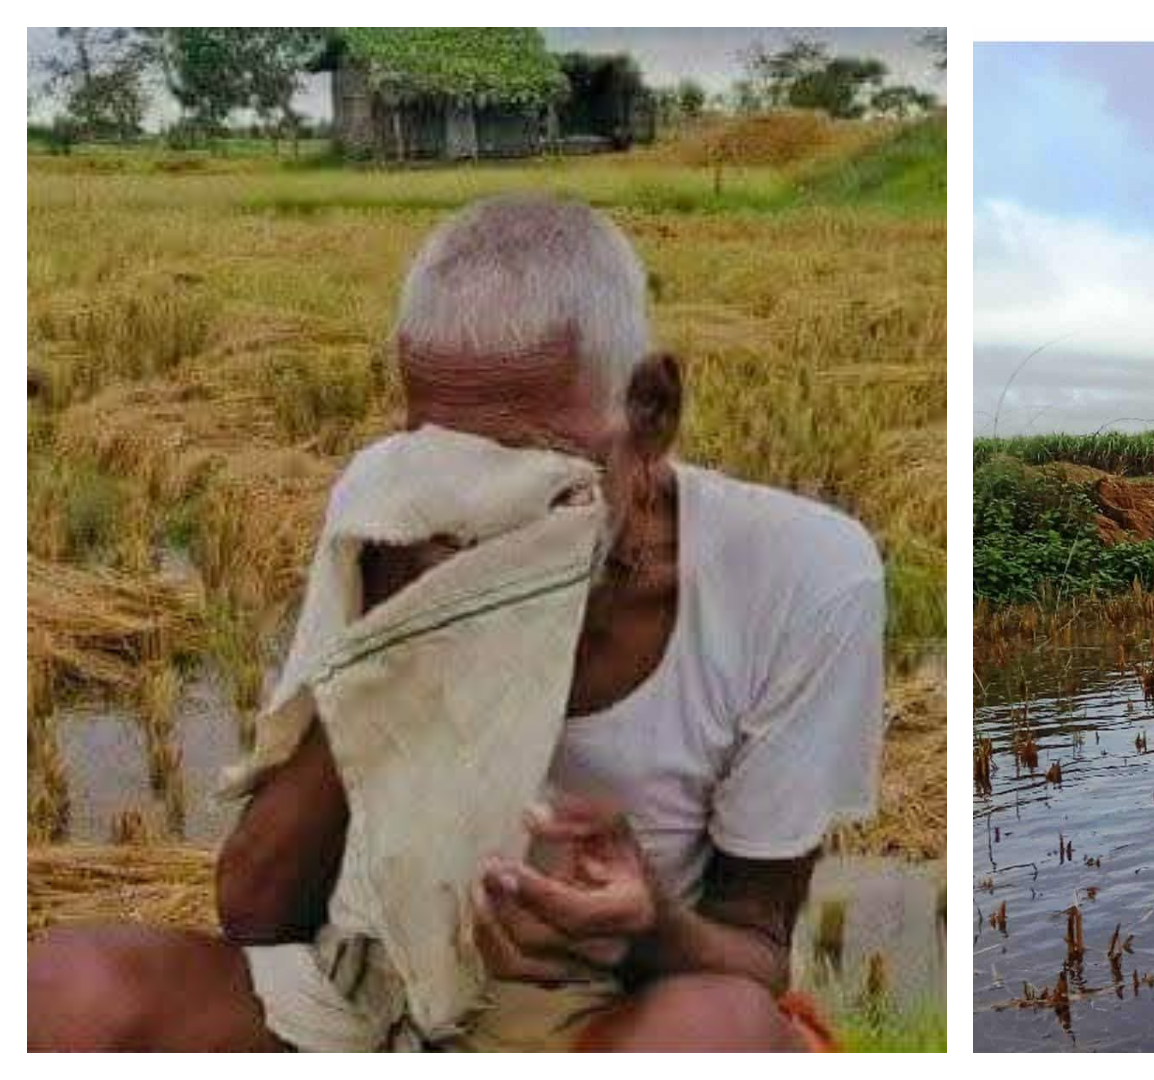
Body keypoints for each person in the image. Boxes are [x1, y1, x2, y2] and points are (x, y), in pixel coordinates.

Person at [28, 195, 886, 1050]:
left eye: (532, 464)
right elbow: (256, 909)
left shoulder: (799, 576)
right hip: (370, 985)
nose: (482, 508)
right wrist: (389, 640)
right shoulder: (395, 515)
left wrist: (647, 927)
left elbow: (755, 952)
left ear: (652, 411)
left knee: (717, 1026)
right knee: (65, 991)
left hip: (604, 1008)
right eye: (451, 462)